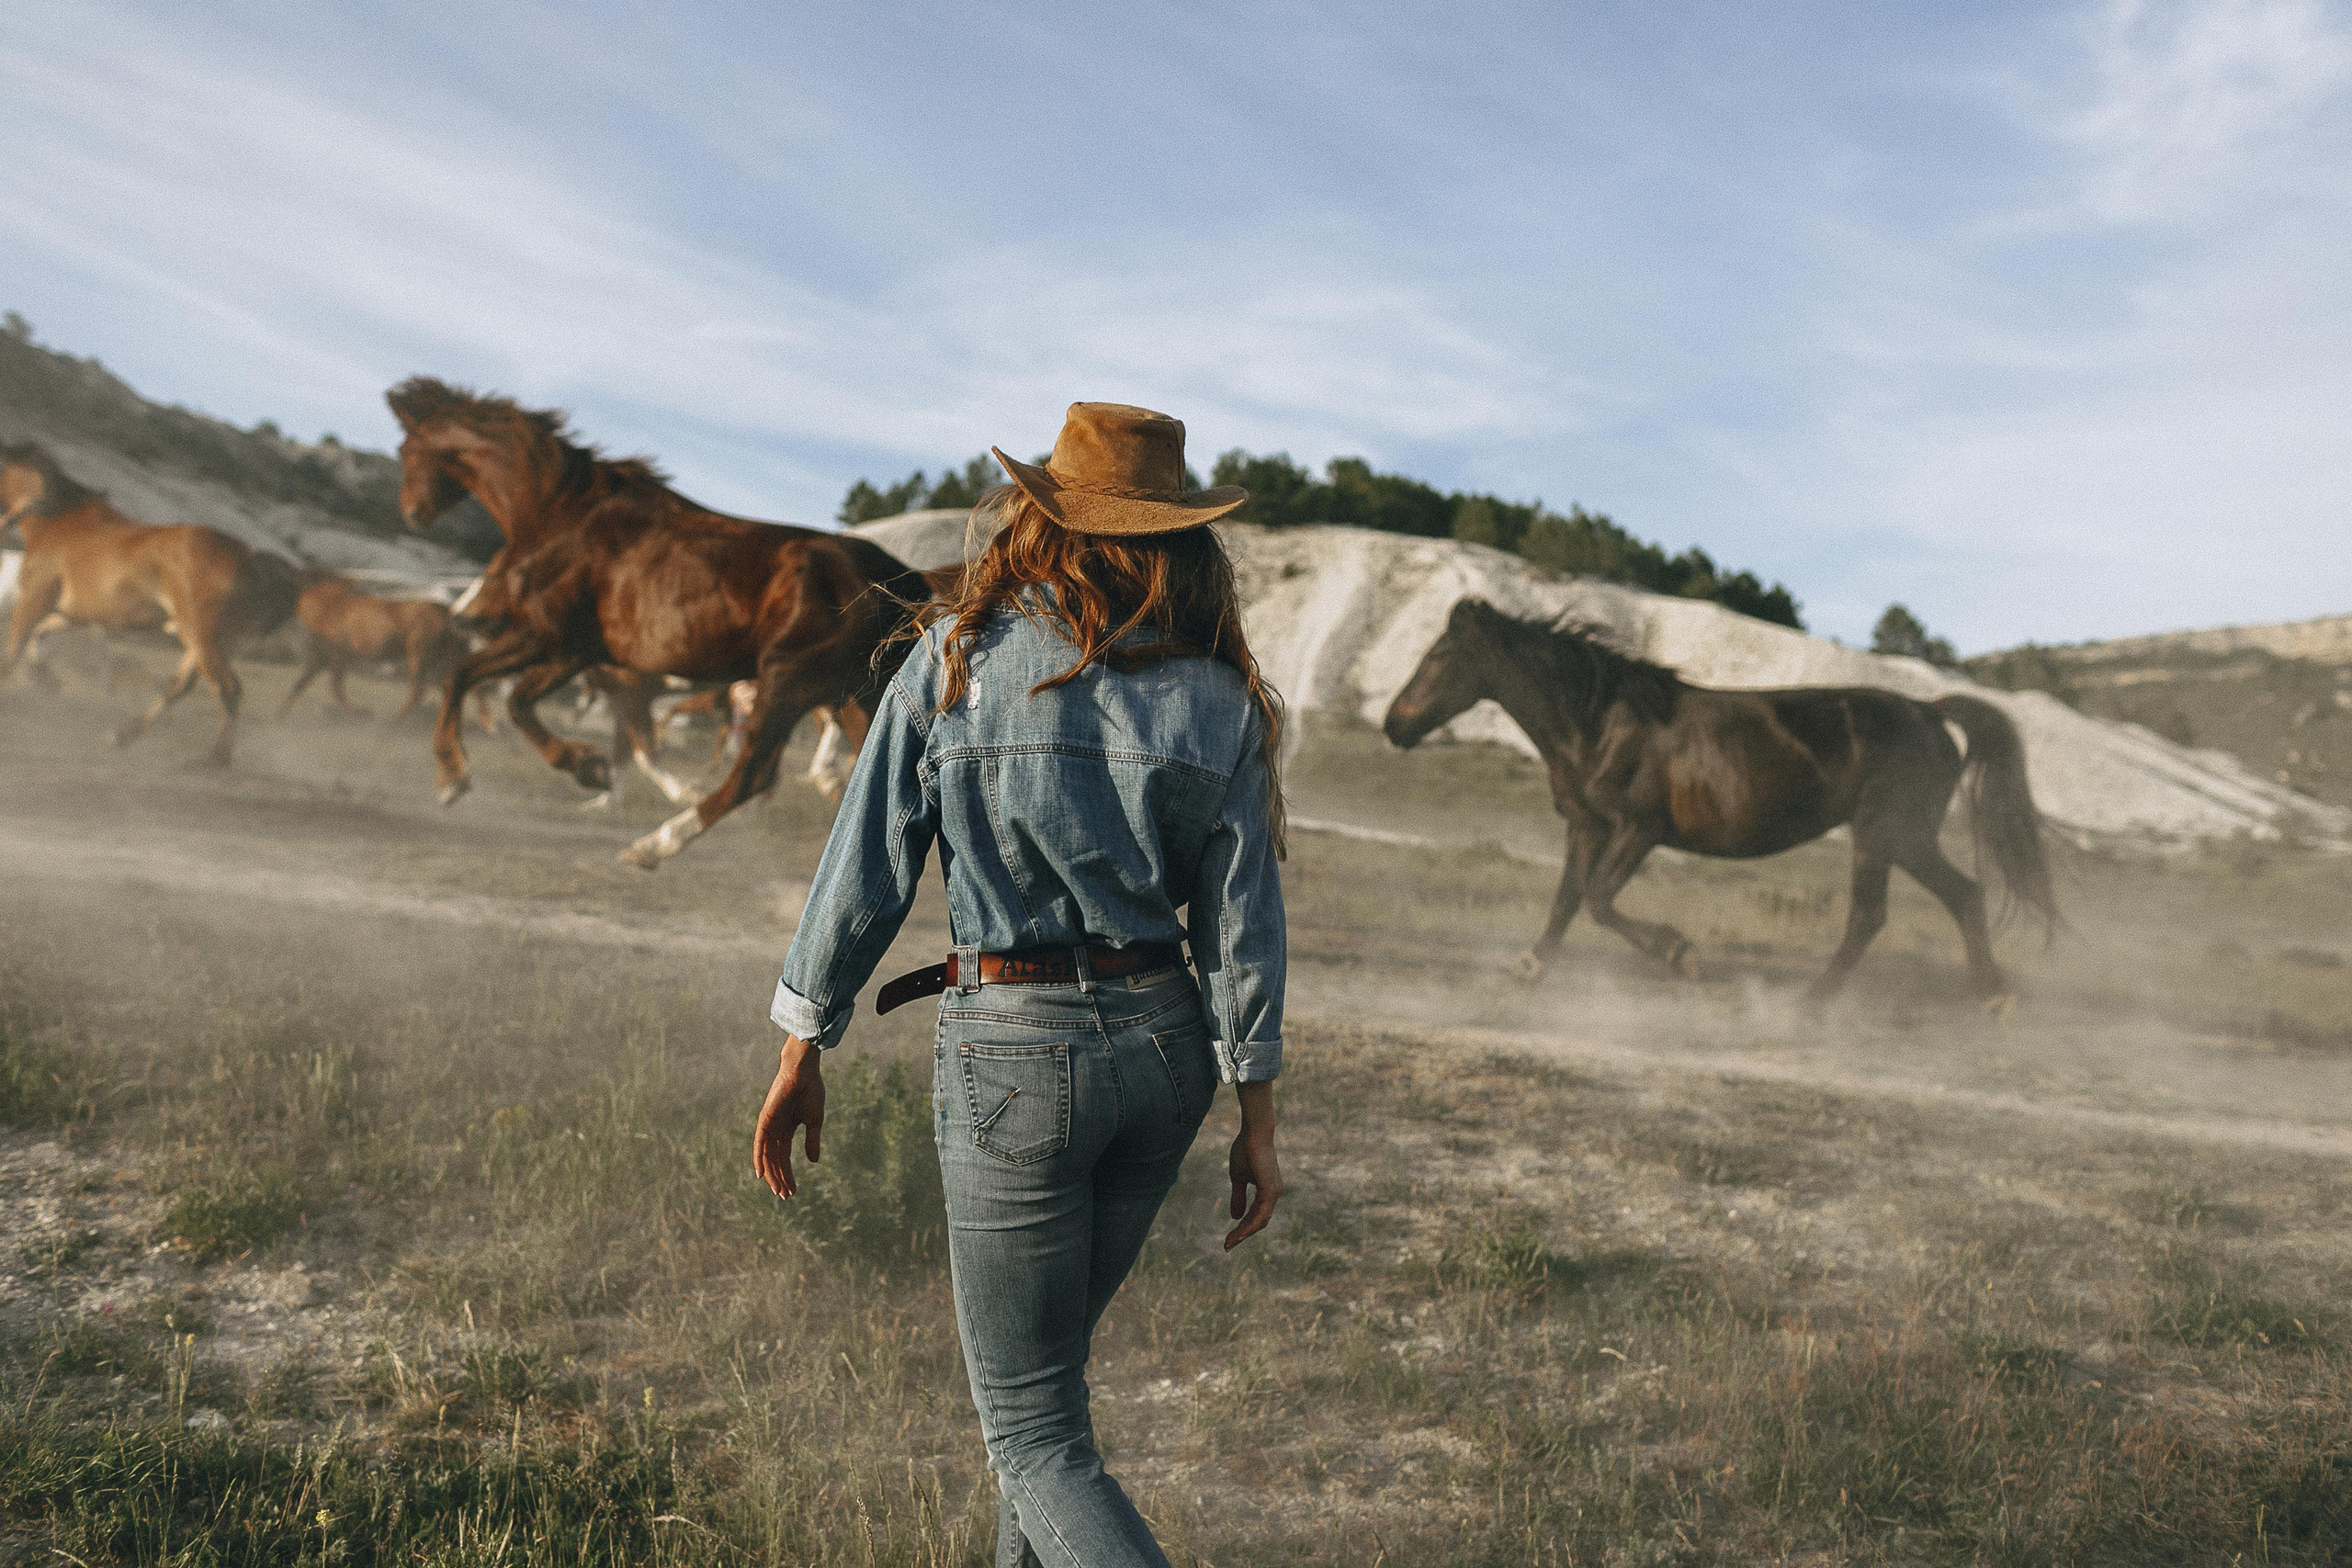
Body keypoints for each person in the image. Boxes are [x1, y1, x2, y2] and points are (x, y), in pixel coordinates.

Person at [753, 402, 1289, 1568]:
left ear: (1042, 518)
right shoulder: (1221, 699)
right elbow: (1245, 923)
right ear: (1175, 539)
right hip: (1167, 1053)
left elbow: (864, 871)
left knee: (1034, 1432)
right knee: (1045, 1404)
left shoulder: (955, 654)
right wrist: (1256, 1109)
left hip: (1014, 1053)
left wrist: (803, 1047)